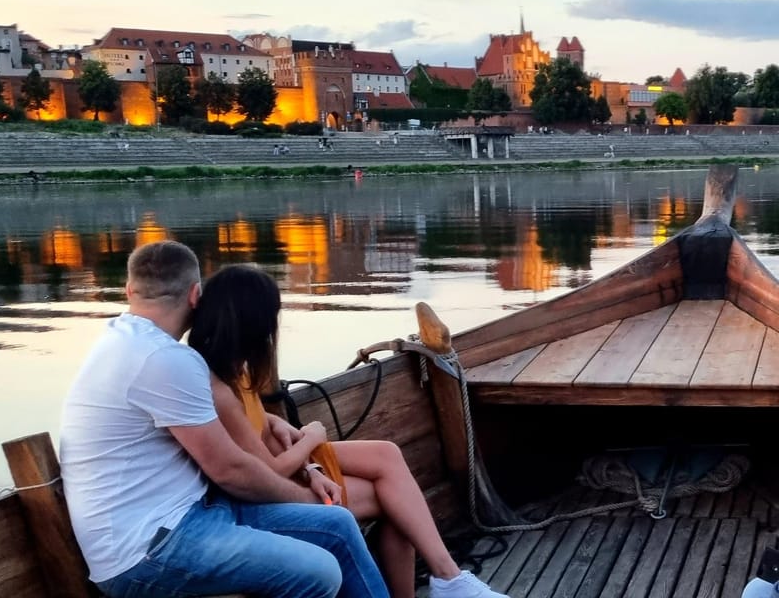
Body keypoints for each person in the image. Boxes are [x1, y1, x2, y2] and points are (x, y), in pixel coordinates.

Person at [59, 241, 389, 598]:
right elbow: (232, 470)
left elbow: (239, 455)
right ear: (195, 294)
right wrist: (306, 498)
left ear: (128, 290)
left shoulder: (124, 340)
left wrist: (310, 473)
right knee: (318, 572)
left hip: (194, 514)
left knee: (338, 524)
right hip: (146, 551)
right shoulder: (162, 359)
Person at [189, 264, 509, 598]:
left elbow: (256, 422)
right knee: (394, 503)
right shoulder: (218, 388)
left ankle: (449, 578)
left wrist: (288, 436)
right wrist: (312, 436)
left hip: (290, 468)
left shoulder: (235, 368)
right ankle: (448, 580)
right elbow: (267, 470)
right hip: (269, 491)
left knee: (386, 455)